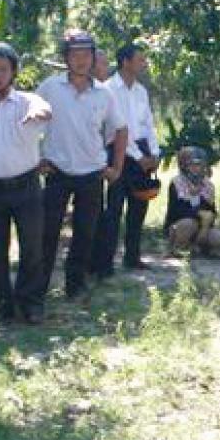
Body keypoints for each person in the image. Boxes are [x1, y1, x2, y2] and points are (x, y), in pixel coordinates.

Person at [38, 30, 125, 299]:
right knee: (47, 233)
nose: (81, 60)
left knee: (85, 234)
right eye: (75, 54)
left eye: (86, 54)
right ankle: (37, 290)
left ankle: (75, 286)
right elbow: (27, 122)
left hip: (92, 173)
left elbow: (120, 130)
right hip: (58, 171)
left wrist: (117, 168)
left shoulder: (104, 93)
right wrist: (36, 158)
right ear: (66, 58)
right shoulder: (50, 88)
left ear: (93, 57)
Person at [0, 43, 52, 324]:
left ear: (13, 72)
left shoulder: (27, 101)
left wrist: (38, 114)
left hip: (26, 186)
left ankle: (31, 303)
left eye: (3, 69)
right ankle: (3, 304)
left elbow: (43, 107)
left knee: (32, 247)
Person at [95, 43, 161, 274]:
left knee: (139, 206)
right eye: (140, 59)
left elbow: (148, 124)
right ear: (125, 62)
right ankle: (105, 262)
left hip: (142, 152)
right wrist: (135, 156)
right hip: (118, 153)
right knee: (114, 208)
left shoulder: (141, 91)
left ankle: (133, 256)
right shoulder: (108, 89)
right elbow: (115, 128)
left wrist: (154, 152)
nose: (144, 64)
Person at [164, 146, 220, 255]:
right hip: (180, 224)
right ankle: (178, 247)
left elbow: (212, 209)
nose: (196, 168)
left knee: (219, 237)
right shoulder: (176, 183)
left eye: (199, 164)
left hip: (203, 226)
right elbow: (176, 211)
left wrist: (207, 221)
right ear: (184, 165)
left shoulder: (208, 185)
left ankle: (199, 246)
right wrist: (198, 213)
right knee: (188, 224)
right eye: (192, 164)